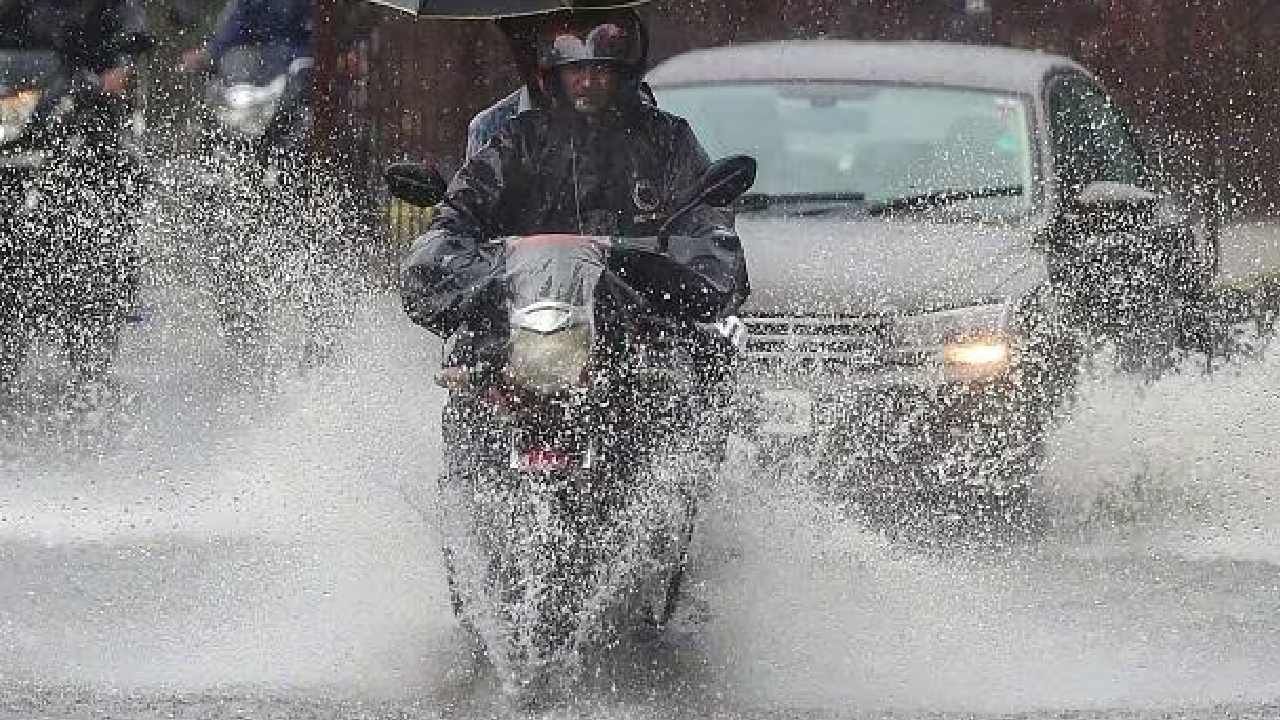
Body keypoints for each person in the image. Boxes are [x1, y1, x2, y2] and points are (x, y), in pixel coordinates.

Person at [402, 7, 749, 370]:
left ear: (624, 72)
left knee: (703, 364)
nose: (587, 81)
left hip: (637, 332)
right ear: (552, 74)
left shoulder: (667, 141)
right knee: (467, 375)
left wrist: (676, 274)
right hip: (526, 328)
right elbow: (458, 217)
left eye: (600, 68)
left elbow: (706, 228)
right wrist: (466, 273)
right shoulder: (517, 143)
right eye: (575, 69)